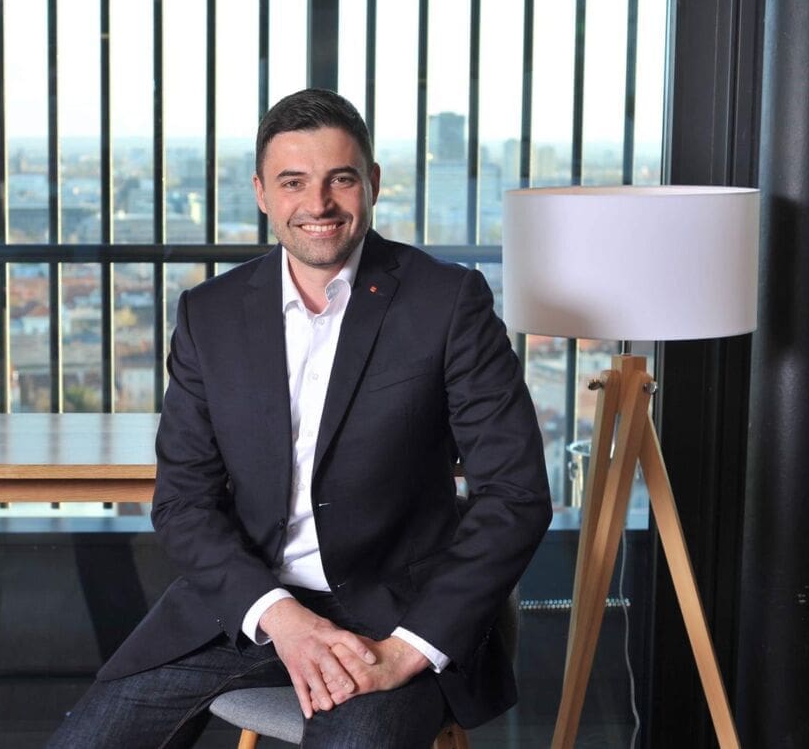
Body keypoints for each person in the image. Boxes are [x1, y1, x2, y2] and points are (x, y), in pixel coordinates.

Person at [47, 89, 551, 748]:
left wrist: (406, 650)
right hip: (245, 608)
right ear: (262, 192)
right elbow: (183, 503)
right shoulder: (210, 315)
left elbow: (515, 494)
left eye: (341, 179)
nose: (319, 204)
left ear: (372, 183)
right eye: (293, 182)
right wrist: (282, 618)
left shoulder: (447, 301)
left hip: (393, 617)